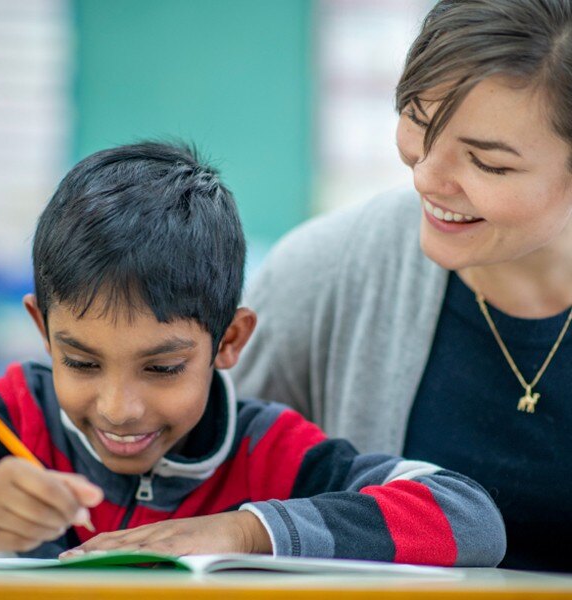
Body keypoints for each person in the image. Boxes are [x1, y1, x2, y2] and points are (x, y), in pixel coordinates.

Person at [0, 142, 505, 565]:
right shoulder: (11, 417)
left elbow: (471, 521)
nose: (118, 407)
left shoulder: (269, 451)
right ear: (43, 331)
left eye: (163, 368)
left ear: (229, 341)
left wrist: (245, 530)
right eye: (83, 363)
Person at [232, 0, 572, 573]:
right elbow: (196, 480)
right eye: (418, 120)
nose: (425, 177)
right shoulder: (325, 272)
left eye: (487, 163)